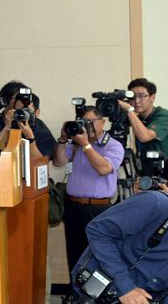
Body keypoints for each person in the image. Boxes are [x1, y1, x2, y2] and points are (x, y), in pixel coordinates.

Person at [52, 106, 124, 292]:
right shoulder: (75, 144)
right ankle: (76, 294)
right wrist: (62, 139)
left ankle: (96, 296)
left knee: (97, 256)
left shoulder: (113, 145)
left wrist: (85, 145)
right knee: (74, 254)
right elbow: (58, 162)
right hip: (74, 206)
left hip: (98, 210)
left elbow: (104, 169)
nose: (87, 127)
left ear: (102, 123)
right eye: (83, 122)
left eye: (90, 123)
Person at [71, 187, 168, 304]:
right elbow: (98, 231)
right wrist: (125, 287)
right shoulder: (156, 203)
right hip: (105, 281)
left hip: (146, 296)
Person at [0, 81, 56, 159]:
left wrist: (29, 137)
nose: (25, 101)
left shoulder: (33, 123)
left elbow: (41, 162)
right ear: (5, 100)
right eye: (19, 97)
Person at [118, 78, 168, 174]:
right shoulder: (138, 118)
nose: (137, 101)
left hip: (166, 175)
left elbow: (144, 137)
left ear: (152, 97)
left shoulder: (163, 116)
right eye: (133, 97)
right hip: (146, 173)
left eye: (141, 96)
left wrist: (129, 110)